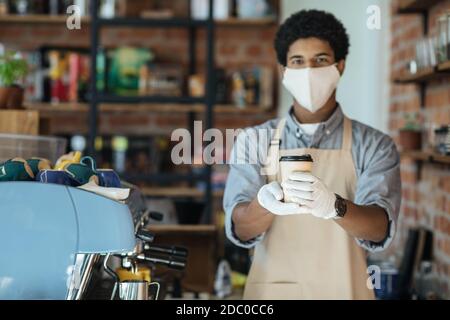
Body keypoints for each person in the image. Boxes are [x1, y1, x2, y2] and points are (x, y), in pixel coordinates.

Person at [223, 9, 401, 300]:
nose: (308, 71)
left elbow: (379, 228)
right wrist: (264, 204)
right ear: (284, 70)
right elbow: (241, 229)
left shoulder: (374, 145)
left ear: (340, 66)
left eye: (320, 60)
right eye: (298, 61)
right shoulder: (253, 141)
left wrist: (335, 206)